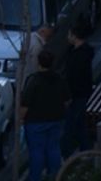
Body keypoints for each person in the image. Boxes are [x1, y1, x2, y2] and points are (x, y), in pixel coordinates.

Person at [21, 50, 71, 181]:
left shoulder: (33, 81)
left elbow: (25, 103)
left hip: (36, 121)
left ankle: (35, 177)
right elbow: (67, 100)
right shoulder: (59, 79)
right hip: (56, 119)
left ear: (39, 63)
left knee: (37, 151)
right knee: (54, 148)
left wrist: (20, 119)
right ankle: (55, 175)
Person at [62, 19, 93, 156]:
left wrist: (68, 96)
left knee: (70, 125)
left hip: (77, 94)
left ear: (75, 36)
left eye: (69, 34)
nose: (67, 37)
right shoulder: (74, 51)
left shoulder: (81, 55)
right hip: (77, 93)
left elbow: (75, 77)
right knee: (79, 124)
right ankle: (85, 149)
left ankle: (67, 153)